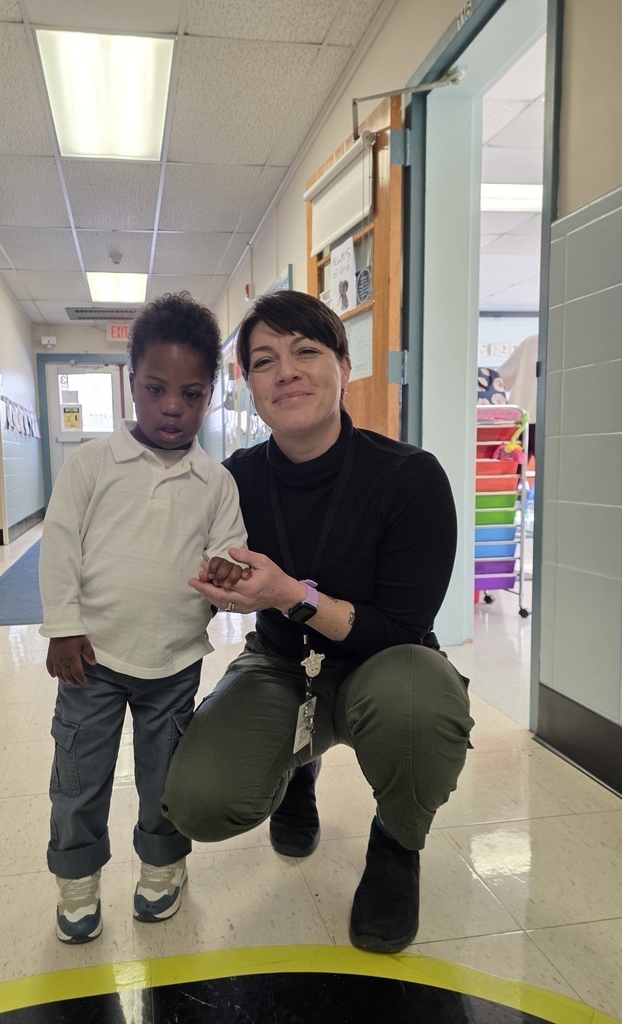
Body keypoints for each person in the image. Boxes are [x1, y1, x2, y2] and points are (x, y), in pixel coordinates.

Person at [162, 289, 474, 954]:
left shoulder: (409, 478)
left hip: (387, 665)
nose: (288, 371)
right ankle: (296, 770)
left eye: (307, 351)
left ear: (344, 363)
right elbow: (195, 575)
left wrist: (290, 595)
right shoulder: (233, 481)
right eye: (265, 360)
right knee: (199, 800)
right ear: (249, 385)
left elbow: (400, 626)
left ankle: (396, 844)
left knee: (417, 706)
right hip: (281, 665)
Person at [39, 292, 249, 944]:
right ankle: (77, 882)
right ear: (132, 381)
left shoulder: (216, 482)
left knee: (166, 781)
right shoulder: (90, 466)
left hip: (174, 662)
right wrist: (62, 626)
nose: (171, 407)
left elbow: (230, 554)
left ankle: (162, 870)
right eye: (156, 389)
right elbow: (59, 550)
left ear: (210, 396)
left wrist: (224, 575)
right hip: (92, 661)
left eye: (191, 394)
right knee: (79, 776)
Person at [498, 333, 538, 463]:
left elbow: (503, 378)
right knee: (551, 473)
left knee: (513, 472)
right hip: (549, 421)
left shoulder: (532, 341)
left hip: (521, 417)